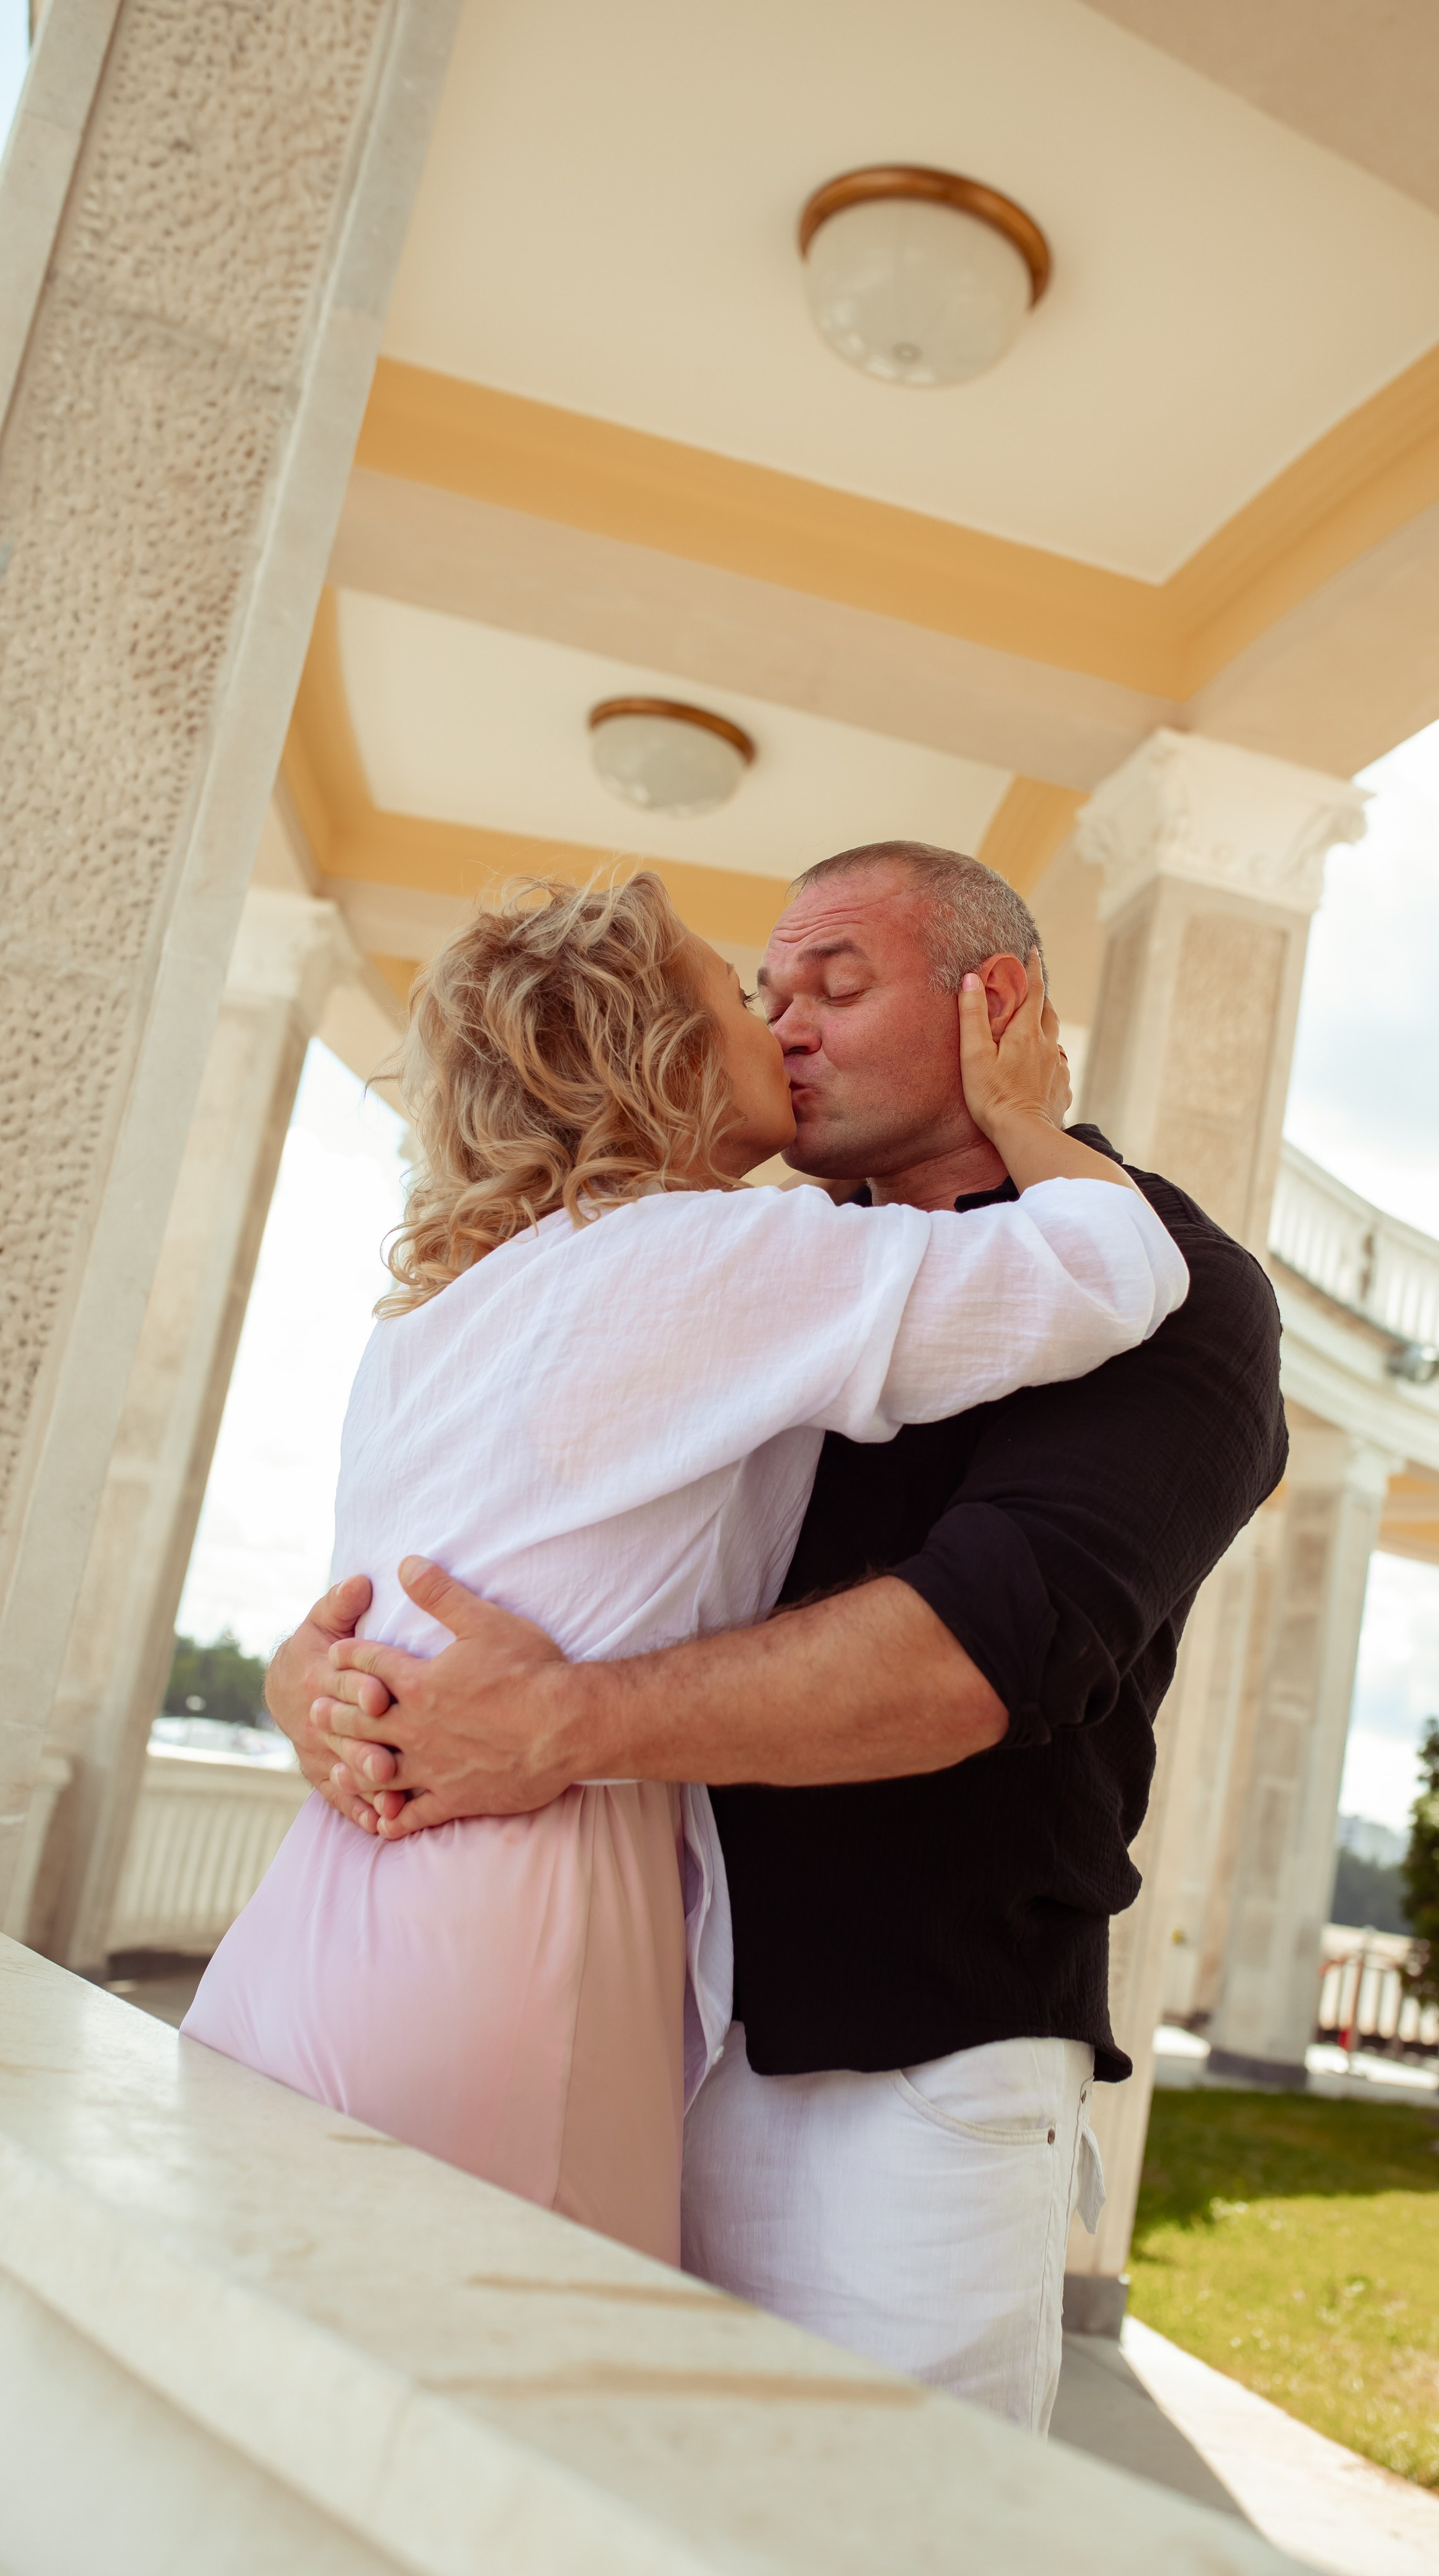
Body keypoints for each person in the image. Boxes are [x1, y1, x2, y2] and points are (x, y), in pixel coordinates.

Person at [269, 840, 1287, 2431]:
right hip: (625, 2011)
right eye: (757, 994)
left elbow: (969, 1658)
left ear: (992, 1005)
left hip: (901, 2077)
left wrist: (544, 1724)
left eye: (834, 983)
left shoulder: (1182, 1297)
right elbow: (454, 1572)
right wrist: (317, 1679)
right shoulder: (731, 1265)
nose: (785, 1022)